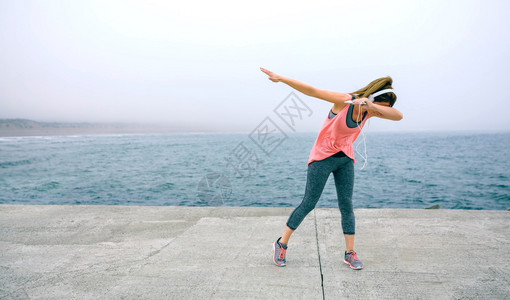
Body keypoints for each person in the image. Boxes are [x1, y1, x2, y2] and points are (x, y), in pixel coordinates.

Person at [260, 67, 403, 270]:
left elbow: (398, 116)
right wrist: (281, 78)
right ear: (370, 96)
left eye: (377, 109)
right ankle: (281, 244)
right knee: (309, 203)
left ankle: (349, 253)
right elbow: (313, 91)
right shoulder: (343, 101)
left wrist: (371, 106)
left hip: (345, 159)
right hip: (322, 158)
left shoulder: (369, 110)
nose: (375, 112)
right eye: (377, 107)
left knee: (346, 205)